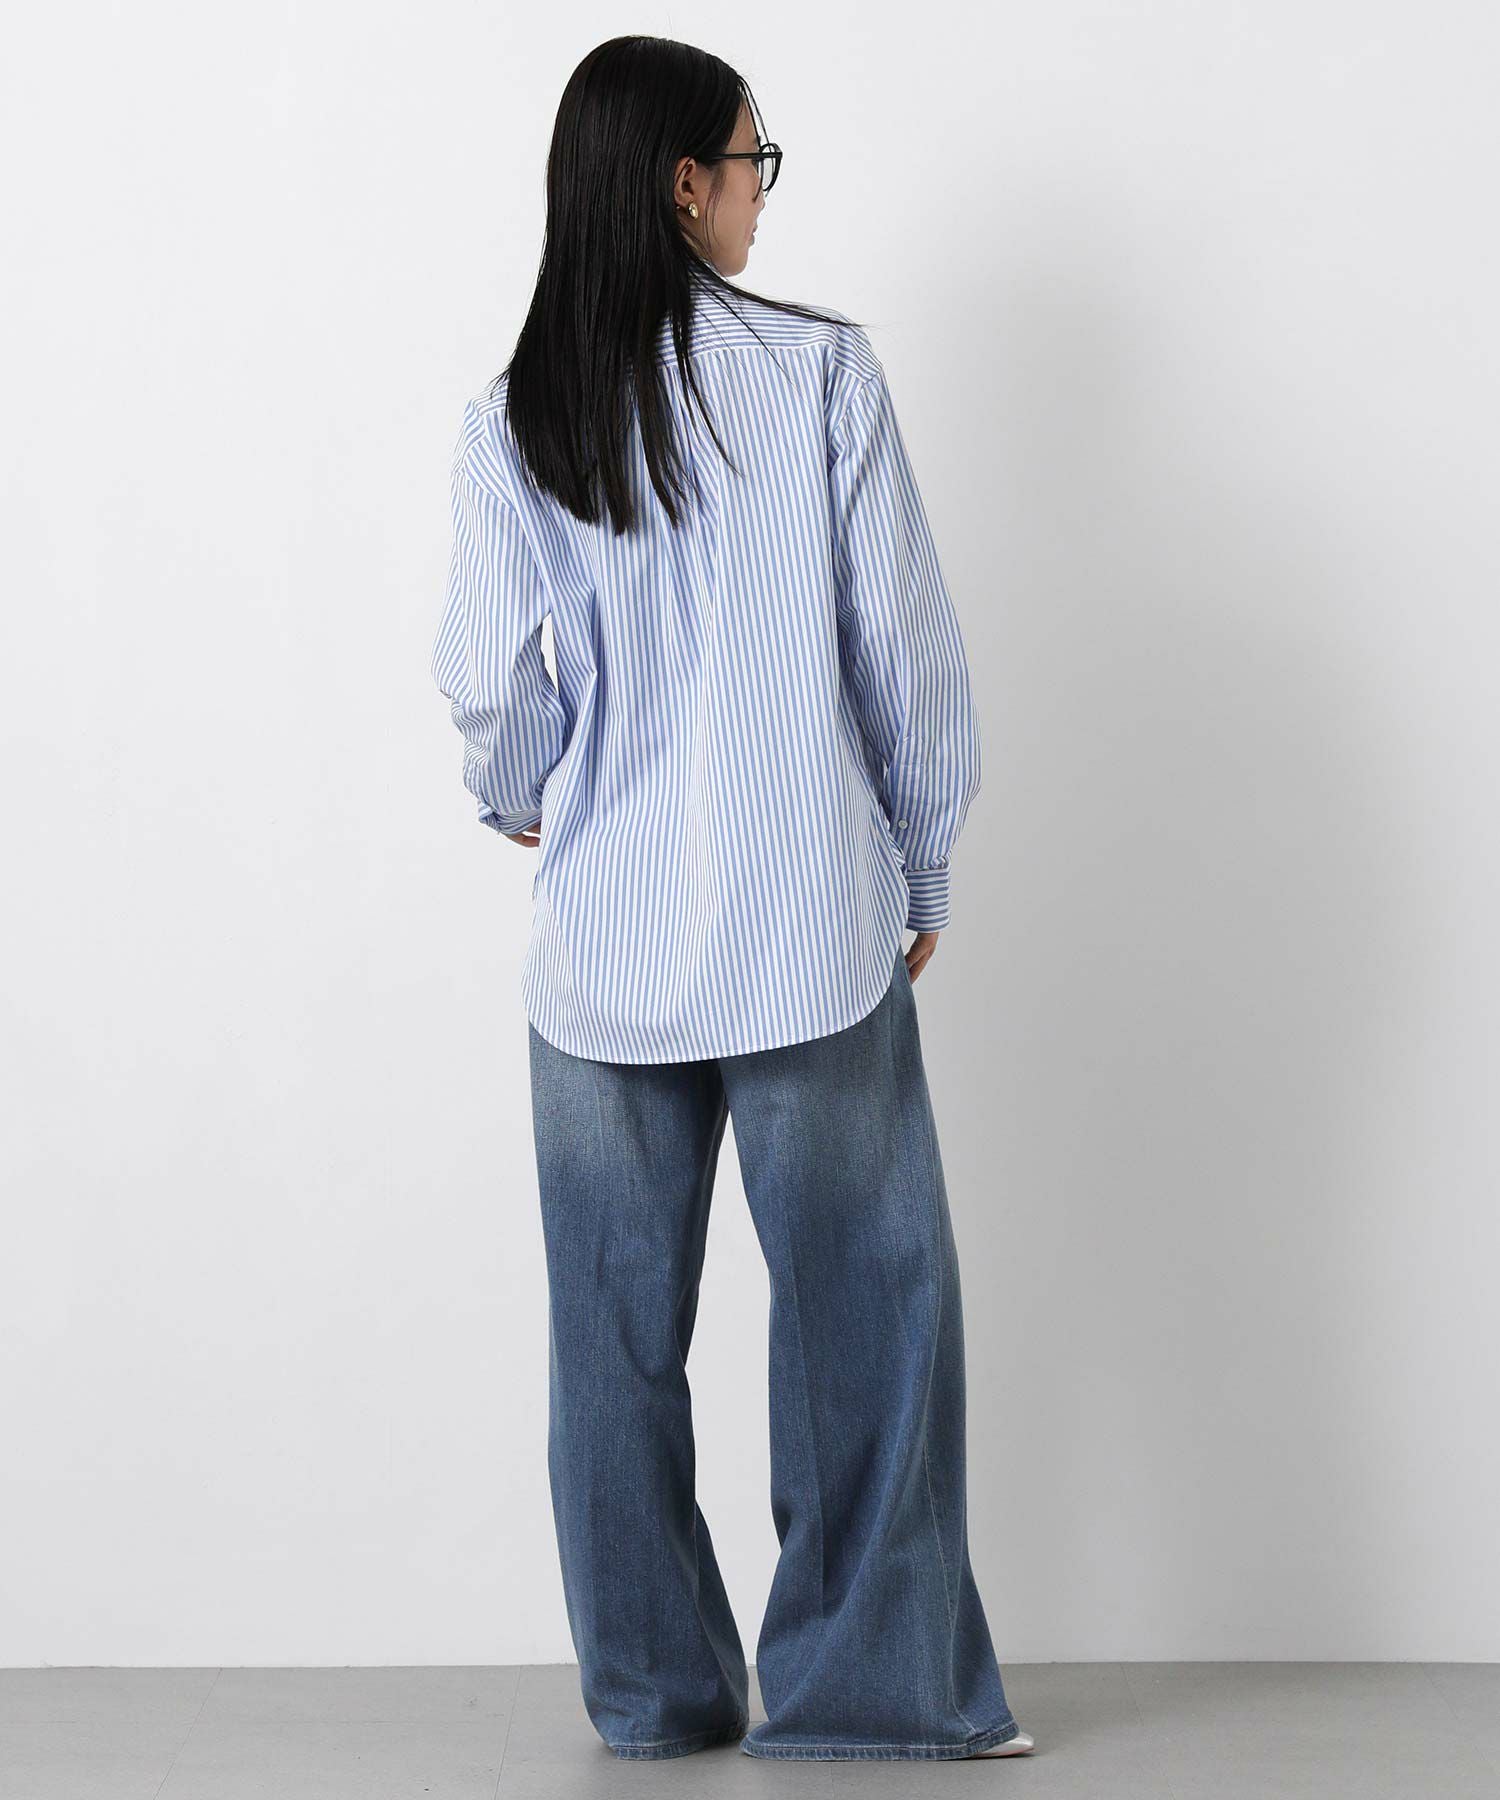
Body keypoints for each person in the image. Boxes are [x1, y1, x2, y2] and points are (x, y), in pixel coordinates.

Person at [430, 33, 1036, 1766]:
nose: (764, 194)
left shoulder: (514, 417)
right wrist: (921, 851)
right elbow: (903, 648)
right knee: (864, 1316)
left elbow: (488, 685)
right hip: (812, 928)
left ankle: (657, 1697)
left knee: (610, 1346)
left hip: (601, 959)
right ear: (684, 181)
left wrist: (527, 796)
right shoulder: (822, 374)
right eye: (753, 162)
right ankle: (869, 1692)